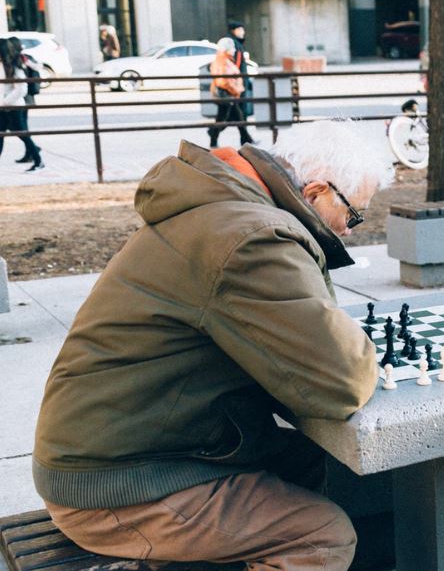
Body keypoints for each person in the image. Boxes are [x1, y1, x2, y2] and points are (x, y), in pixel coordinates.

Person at [32, 120, 395, 571]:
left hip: (123, 453)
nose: (351, 229)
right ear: (318, 191)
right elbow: (342, 381)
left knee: (324, 466)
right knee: (321, 537)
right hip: (117, 487)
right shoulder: (252, 237)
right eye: (354, 214)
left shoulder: (222, 206)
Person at [0, 39, 43, 171]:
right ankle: (37, 159)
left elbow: (21, 88)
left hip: (14, 107)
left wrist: (4, 102)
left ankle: (38, 160)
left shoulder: (15, 65)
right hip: (3, 108)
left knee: (23, 135)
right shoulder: (3, 65)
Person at [208, 37, 254, 147]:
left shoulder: (225, 59)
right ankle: (213, 136)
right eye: (231, 49)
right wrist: (235, 91)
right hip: (226, 95)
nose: (233, 51)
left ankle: (246, 139)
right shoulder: (223, 61)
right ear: (226, 50)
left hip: (228, 94)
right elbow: (224, 80)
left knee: (237, 117)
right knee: (223, 119)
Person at [228, 20, 254, 120]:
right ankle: (214, 131)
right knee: (238, 108)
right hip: (239, 81)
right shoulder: (236, 44)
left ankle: (244, 133)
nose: (243, 32)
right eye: (240, 30)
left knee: (234, 109)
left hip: (236, 81)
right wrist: (238, 79)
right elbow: (237, 64)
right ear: (233, 31)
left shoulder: (231, 42)